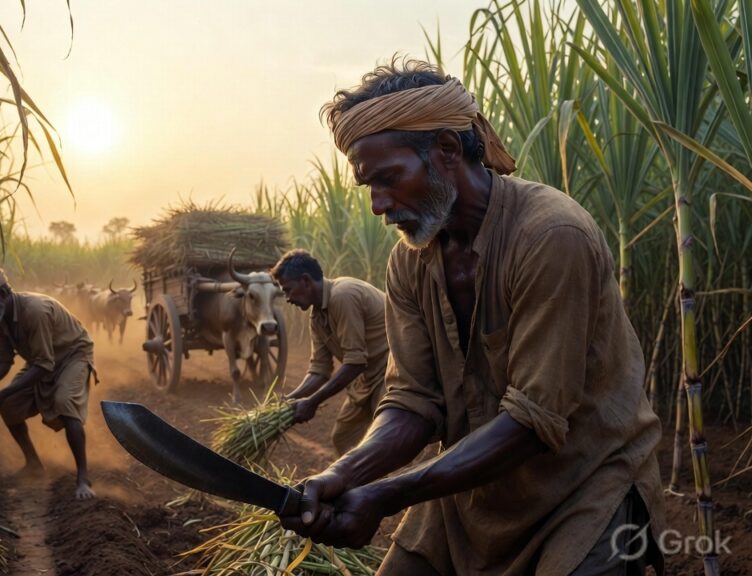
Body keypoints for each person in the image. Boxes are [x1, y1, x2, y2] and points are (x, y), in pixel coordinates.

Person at [277, 57, 664, 575]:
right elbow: (414, 400)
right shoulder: (409, 260)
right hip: (471, 490)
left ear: (447, 151)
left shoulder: (550, 237)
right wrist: (345, 473)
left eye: (389, 178)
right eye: (367, 185)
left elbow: (533, 420)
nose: (376, 205)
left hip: (583, 486)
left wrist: (386, 495)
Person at [0, 266, 97, 499]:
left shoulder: (36, 310)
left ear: (2, 294)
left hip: (72, 355)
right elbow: (4, 361)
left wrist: (1, 393)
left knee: (65, 402)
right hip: (41, 359)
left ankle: (83, 479)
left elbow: (44, 365)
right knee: (10, 405)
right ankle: (33, 464)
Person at [271, 250, 388, 455]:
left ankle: (393, 484)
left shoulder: (343, 295)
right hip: (366, 381)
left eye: (288, 290)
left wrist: (313, 401)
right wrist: (291, 399)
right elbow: (319, 370)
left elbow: (355, 362)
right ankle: (369, 483)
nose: (288, 298)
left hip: (392, 372)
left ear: (306, 281)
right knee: (344, 438)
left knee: (384, 440)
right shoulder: (317, 317)